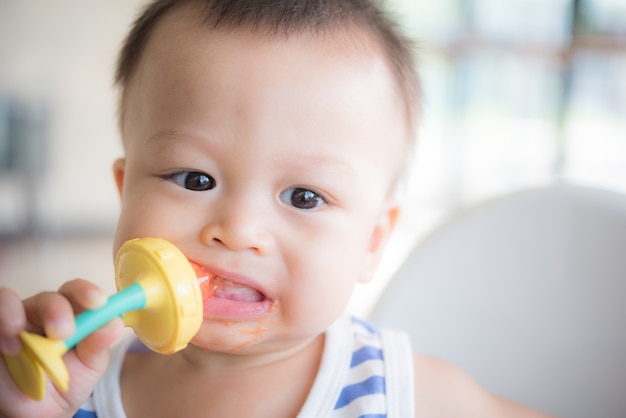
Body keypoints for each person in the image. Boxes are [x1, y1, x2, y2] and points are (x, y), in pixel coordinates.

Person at [0, 1, 554, 416]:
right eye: (195, 178)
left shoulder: (407, 395)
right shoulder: (75, 388)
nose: (237, 231)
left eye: (304, 197)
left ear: (371, 241)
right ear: (126, 193)